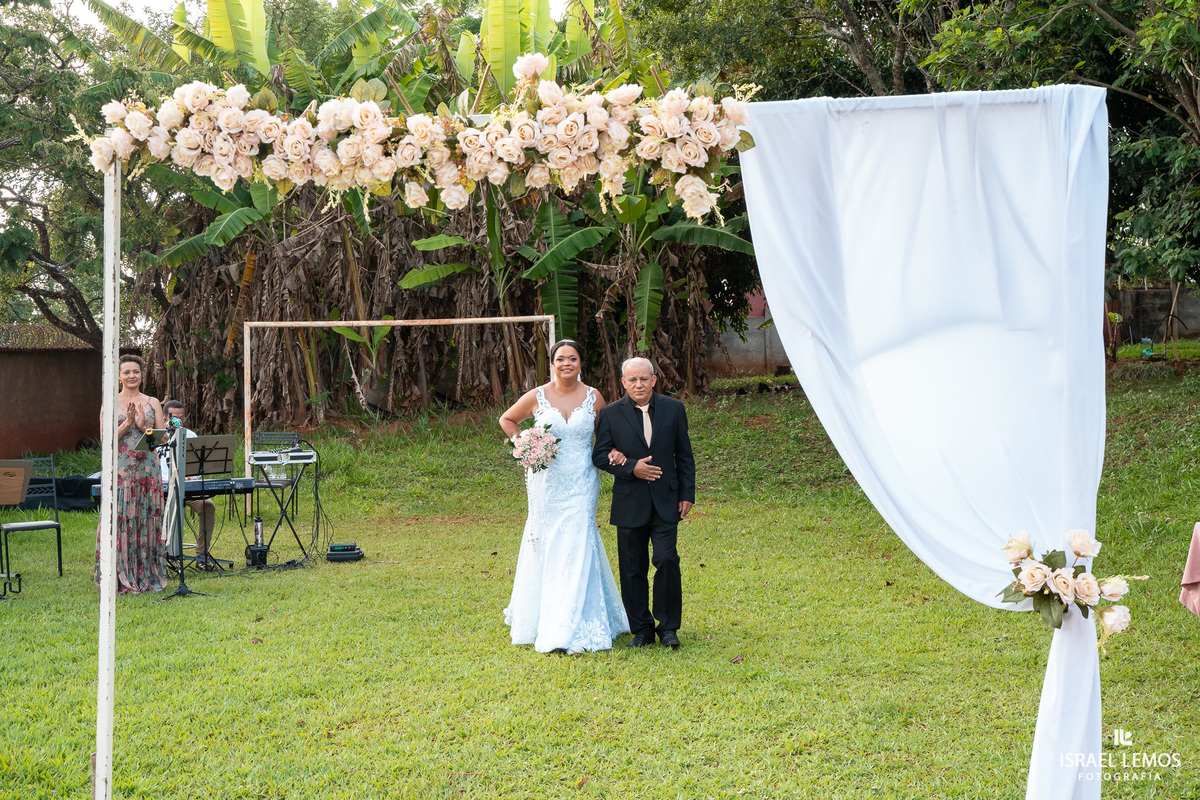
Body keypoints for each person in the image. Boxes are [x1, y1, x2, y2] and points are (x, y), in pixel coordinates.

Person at [498, 340, 630, 653]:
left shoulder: (594, 396)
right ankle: (546, 617)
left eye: (572, 358)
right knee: (548, 540)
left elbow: (605, 436)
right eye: (560, 358)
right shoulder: (537, 395)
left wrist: (615, 452)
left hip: (583, 479)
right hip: (547, 480)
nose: (566, 363)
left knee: (579, 538)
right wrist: (526, 445)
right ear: (552, 363)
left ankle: (577, 620)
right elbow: (507, 419)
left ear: (581, 363)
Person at [592, 357, 695, 649]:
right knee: (632, 567)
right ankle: (641, 628)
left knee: (666, 559)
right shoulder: (610, 414)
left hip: (667, 500)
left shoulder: (674, 409)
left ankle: (669, 627)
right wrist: (631, 467)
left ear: (654, 380)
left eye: (644, 379)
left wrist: (687, 493)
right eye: (632, 380)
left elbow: (684, 455)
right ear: (623, 383)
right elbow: (600, 456)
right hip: (629, 502)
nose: (639, 384)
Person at [94, 354, 167, 593]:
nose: (131, 376)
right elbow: (106, 441)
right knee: (121, 516)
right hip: (121, 471)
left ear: (141, 374)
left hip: (147, 469)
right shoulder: (111, 402)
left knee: (146, 516)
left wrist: (142, 426)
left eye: (135, 371)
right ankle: (120, 572)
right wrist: (126, 425)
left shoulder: (152, 401)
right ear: (119, 376)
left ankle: (147, 571)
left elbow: (162, 437)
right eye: (127, 372)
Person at [159, 400, 217, 569]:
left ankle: (202, 556)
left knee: (208, 506)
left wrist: (192, 476)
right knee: (164, 511)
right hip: (163, 489)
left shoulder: (190, 436)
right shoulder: (157, 436)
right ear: (164, 417)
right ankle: (166, 556)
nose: (178, 422)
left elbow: (198, 466)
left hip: (187, 488)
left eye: (181, 418)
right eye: (173, 418)